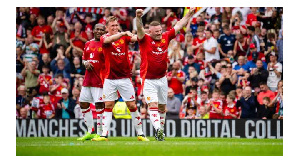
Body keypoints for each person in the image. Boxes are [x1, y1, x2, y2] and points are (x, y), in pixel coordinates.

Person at [136, 8, 195, 141]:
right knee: (153, 105)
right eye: (156, 32)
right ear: (149, 32)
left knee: (162, 107)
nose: (159, 33)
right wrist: (139, 18)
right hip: (148, 79)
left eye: (160, 31)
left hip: (162, 78)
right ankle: (158, 130)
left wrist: (189, 15)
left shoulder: (165, 36)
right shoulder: (144, 39)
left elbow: (179, 25)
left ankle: (159, 131)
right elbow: (139, 29)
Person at [92, 16, 148, 142]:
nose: (115, 28)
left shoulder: (124, 37)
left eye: (116, 25)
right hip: (110, 78)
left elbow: (137, 38)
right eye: (112, 26)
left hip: (124, 77)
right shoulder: (104, 37)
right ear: (107, 28)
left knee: (132, 105)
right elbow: (109, 40)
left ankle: (141, 134)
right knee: (109, 105)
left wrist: (138, 26)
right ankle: (103, 135)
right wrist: (123, 33)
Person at [77, 24, 107, 141]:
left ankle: (100, 133)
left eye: (101, 29)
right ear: (93, 30)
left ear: (104, 32)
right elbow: (84, 58)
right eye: (97, 29)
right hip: (87, 79)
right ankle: (90, 131)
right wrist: (85, 63)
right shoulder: (88, 43)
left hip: (100, 80)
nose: (99, 31)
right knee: (83, 103)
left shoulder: (106, 44)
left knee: (99, 105)